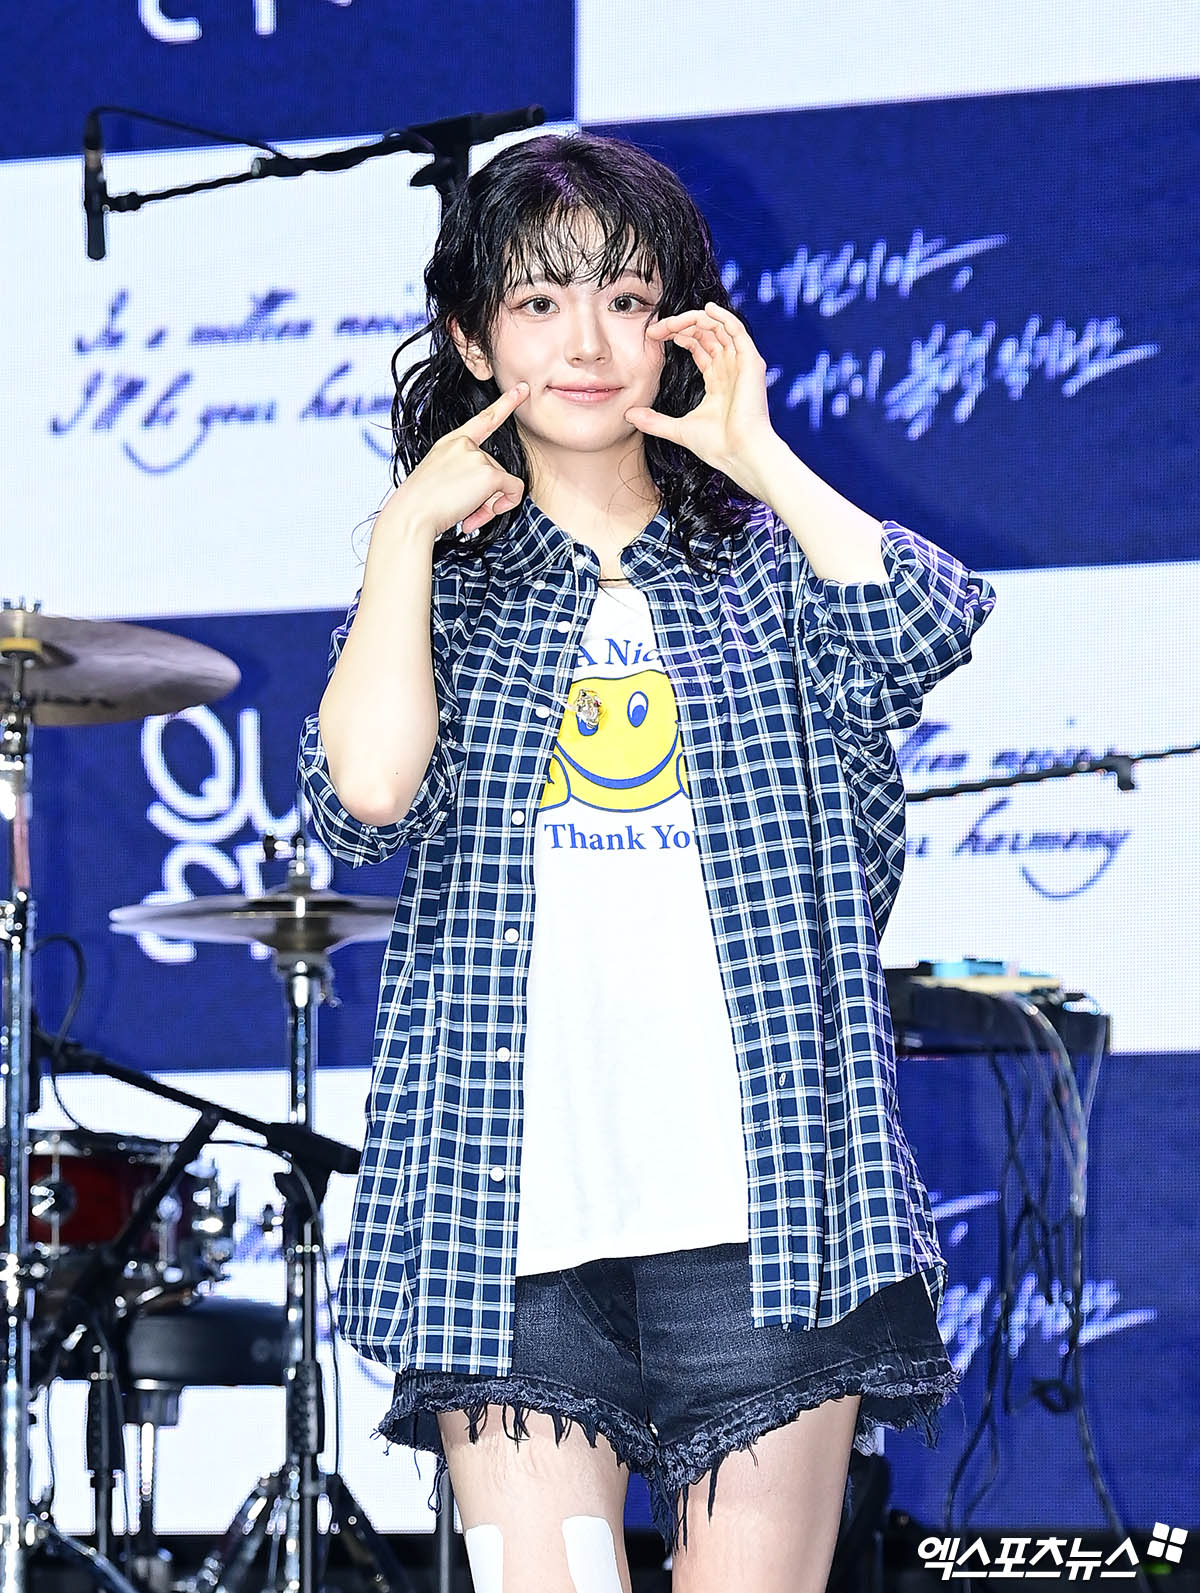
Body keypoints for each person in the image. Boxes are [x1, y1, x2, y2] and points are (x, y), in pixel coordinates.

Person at [299, 131, 996, 1593]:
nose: (588, 343)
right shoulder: (449, 590)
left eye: (625, 298)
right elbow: (362, 796)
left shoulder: (768, 570)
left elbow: (925, 629)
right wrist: (402, 536)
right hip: (505, 1222)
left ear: (679, 323)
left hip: (777, 1209)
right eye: (540, 302)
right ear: (472, 338)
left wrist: (756, 455)